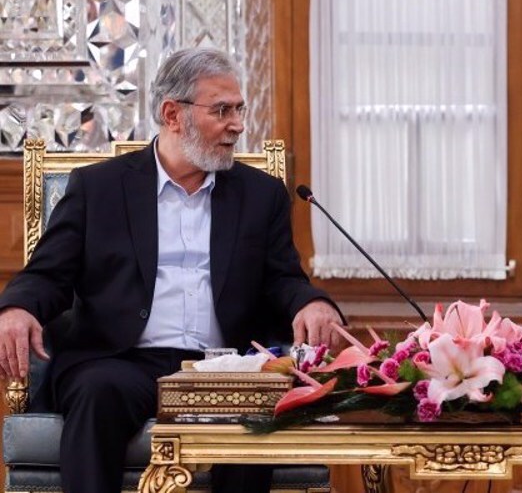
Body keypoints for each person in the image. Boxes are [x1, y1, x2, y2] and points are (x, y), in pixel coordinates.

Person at [0, 47, 347, 493]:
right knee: (97, 392)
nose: (238, 125)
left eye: (239, 109)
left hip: (225, 366)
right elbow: (48, 274)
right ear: (172, 114)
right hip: (120, 360)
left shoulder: (261, 195)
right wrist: (16, 309)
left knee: (254, 409)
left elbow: (283, 280)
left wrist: (313, 303)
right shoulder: (99, 188)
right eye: (221, 111)